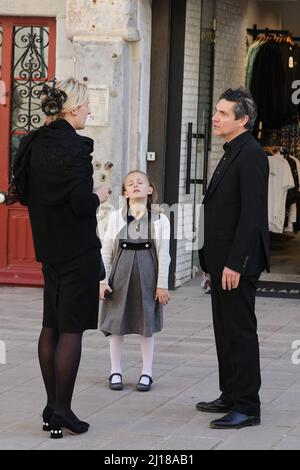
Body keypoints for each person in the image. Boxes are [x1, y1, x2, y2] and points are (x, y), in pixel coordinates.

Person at [12, 78, 109, 438]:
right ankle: (63, 410)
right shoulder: (77, 148)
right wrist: (101, 192)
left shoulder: (33, 143)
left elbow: (20, 191)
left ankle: (52, 407)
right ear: (72, 110)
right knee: (71, 330)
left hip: (48, 248)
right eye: (86, 108)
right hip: (78, 250)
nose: (89, 112)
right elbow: (82, 204)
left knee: (50, 325)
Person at [197, 87, 270, 429]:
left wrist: (234, 263)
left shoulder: (252, 154)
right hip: (220, 261)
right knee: (224, 332)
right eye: (217, 110)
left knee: (240, 333)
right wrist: (209, 261)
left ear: (242, 120)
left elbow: (251, 215)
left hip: (236, 263)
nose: (216, 116)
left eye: (223, 113)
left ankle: (247, 406)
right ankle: (229, 394)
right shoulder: (231, 151)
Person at [99, 170, 171, 391]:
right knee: (116, 323)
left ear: (150, 190)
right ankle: (115, 371)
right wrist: (102, 280)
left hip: (148, 274)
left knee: (145, 324)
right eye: (130, 183)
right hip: (120, 273)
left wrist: (162, 284)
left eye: (140, 182)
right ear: (125, 192)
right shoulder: (114, 217)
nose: (135, 185)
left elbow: (164, 253)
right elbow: (106, 251)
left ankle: (146, 373)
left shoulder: (160, 219)